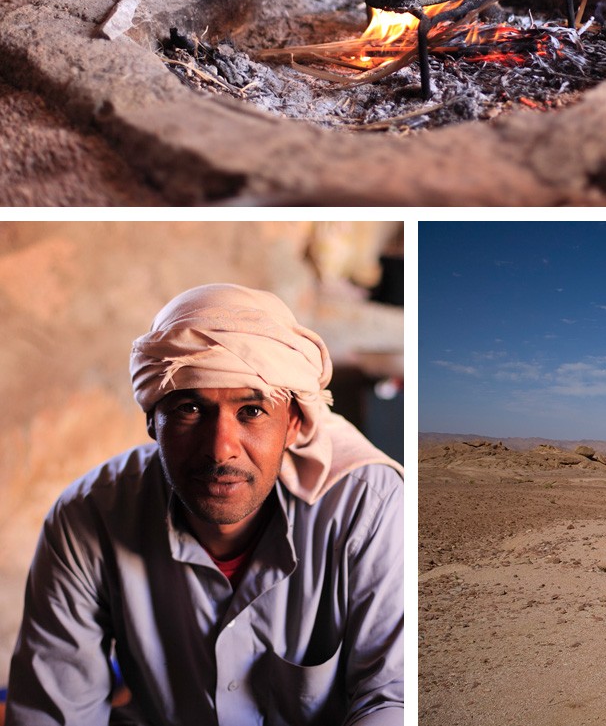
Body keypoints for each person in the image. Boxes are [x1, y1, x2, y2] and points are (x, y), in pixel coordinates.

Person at [6, 283, 404, 726]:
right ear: (152, 423)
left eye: (251, 412)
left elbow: (391, 699)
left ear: (293, 423)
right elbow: (53, 714)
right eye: (190, 409)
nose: (220, 450)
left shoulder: (369, 508)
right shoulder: (88, 516)